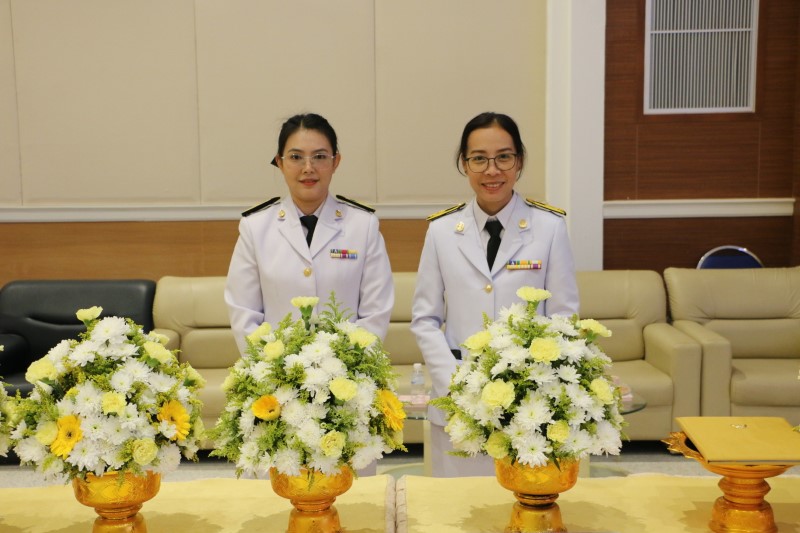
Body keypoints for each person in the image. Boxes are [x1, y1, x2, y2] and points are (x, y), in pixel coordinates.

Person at [411, 111, 579, 477]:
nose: (492, 171)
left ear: (519, 161)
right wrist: (454, 382)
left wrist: (535, 379)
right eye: (479, 159)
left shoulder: (549, 227)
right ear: (464, 163)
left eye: (503, 157)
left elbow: (563, 317)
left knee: (523, 499)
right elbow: (425, 318)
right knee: (458, 503)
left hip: (528, 403)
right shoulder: (441, 231)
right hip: (458, 401)